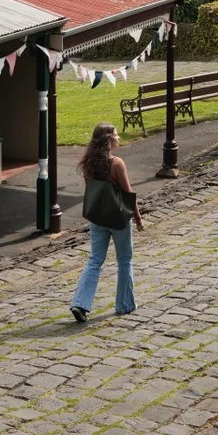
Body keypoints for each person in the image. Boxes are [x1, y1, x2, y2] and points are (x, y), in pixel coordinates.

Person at [70, 122, 142, 322]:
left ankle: (80, 303)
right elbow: (128, 194)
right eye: (116, 135)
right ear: (108, 140)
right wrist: (138, 219)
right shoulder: (117, 163)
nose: (119, 138)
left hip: (97, 218)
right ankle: (124, 304)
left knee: (94, 261)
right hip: (118, 218)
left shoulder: (88, 164)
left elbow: (93, 190)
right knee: (124, 260)